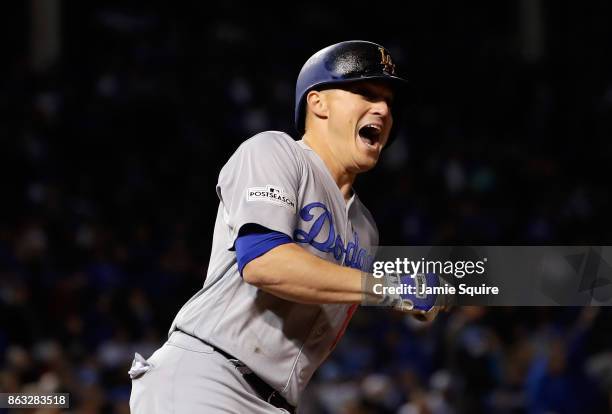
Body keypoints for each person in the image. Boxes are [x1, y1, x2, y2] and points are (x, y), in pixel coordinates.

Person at [129, 40, 443, 413]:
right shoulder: (275, 152)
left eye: (389, 100)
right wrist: (387, 286)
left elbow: (327, 307)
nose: (383, 108)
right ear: (317, 102)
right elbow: (264, 262)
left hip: (278, 402)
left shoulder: (365, 228)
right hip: (209, 376)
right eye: (365, 92)